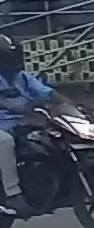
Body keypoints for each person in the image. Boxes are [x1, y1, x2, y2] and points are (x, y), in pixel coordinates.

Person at [0, 39, 57, 216]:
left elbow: (48, 93)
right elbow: (5, 103)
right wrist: (16, 107)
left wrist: (73, 105)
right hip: (3, 125)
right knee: (5, 142)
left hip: (22, 123)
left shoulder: (24, 78)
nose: (14, 66)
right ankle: (13, 193)